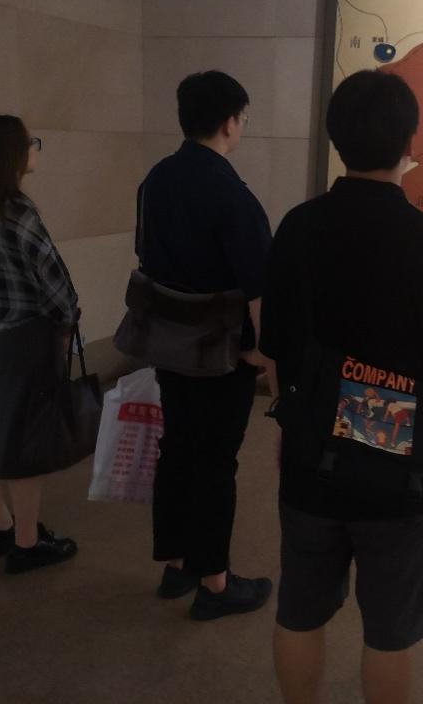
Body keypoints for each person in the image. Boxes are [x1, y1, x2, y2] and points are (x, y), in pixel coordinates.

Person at [260, 69, 423, 704]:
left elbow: (275, 349)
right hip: (402, 469)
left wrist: (291, 420)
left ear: (336, 138)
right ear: (410, 143)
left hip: (311, 456)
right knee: (389, 633)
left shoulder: (297, 228)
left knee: (299, 611)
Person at [137, 70, 274, 620]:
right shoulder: (231, 194)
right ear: (229, 122)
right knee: (216, 462)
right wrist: (266, 355)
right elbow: (259, 289)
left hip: (170, 344)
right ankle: (216, 585)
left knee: (177, 450)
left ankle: (176, 566)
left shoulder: (156, 180)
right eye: (242, 118)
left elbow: (148, 259)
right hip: (222, 354)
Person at [0, 115, 80, 575]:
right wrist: (69, 320)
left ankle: (0, 525)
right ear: (8, 154)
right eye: (30, 143)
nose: (34, 149)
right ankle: (27, 543)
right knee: (27, 443)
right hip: (29, 339)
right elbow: (55, 283)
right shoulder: (18, 213)